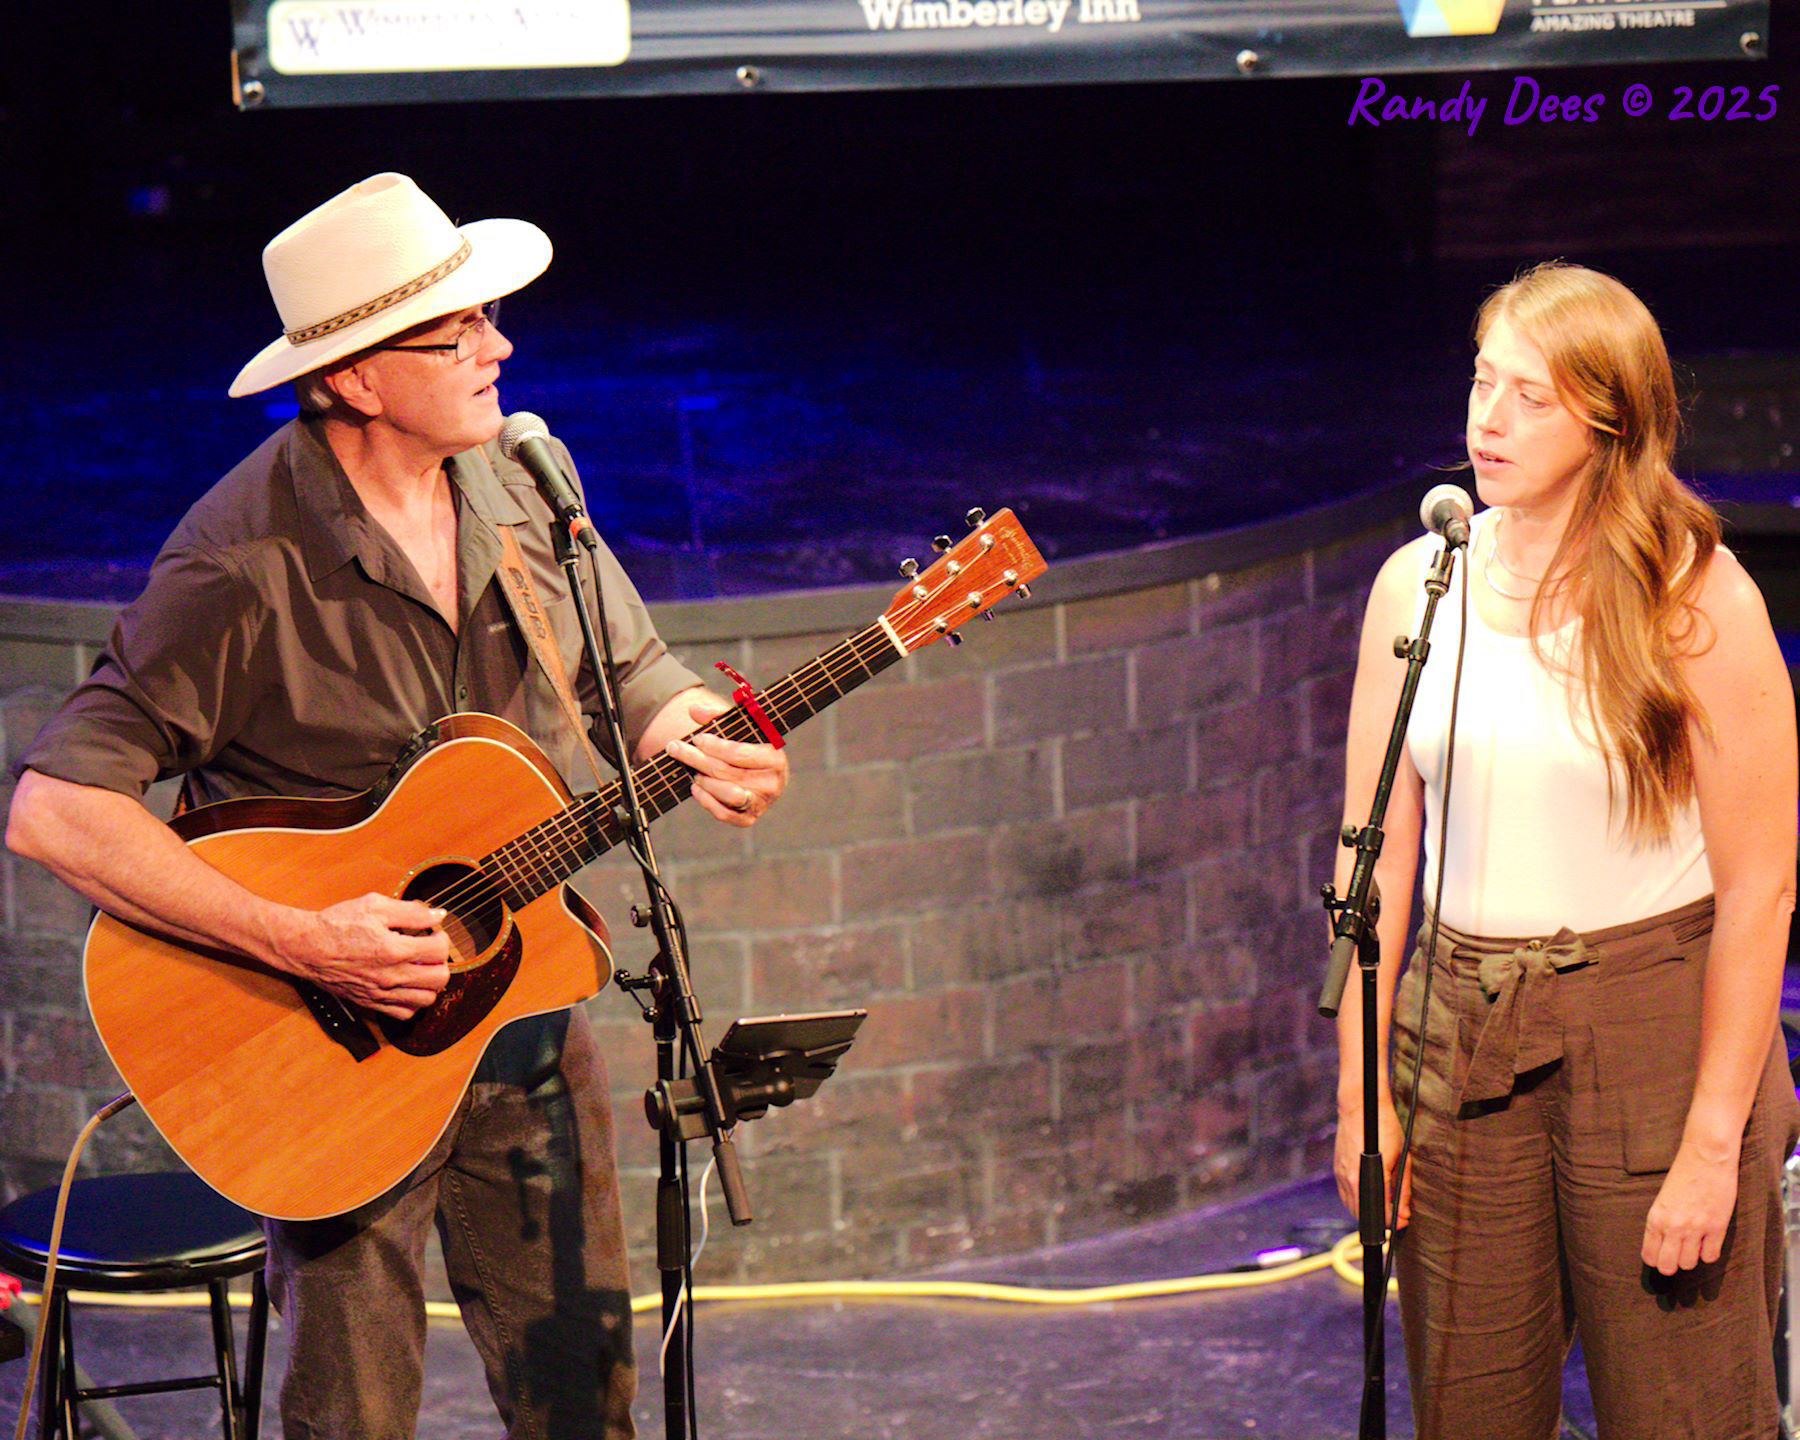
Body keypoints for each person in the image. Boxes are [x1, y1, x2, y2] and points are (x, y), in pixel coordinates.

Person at [5, 172, 791, 1439]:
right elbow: (53, 807)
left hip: (521, 1010)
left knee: (582, 1400)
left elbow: (627, 668)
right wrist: (306, 942)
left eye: (488, 316)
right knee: (352, 1413)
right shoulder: (238, 561)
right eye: (461, 328)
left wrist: (695, 732)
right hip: (329, 1052)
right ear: (356, 378)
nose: (502, 345)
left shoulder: (524, 477)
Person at [1331, 261, 1800, 1438]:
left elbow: (1760, 889)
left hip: (1650, 1025)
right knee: (1469, 1408)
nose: (1487, 419)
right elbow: (1370, 866)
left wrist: (1710, 1145)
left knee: (1682, 1412)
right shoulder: (1418, 586)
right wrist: (1360, 1104)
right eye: (1483, 382)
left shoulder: (1697, 599)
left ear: (1608, 418)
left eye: (1530, 397)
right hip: (1462, 1036)